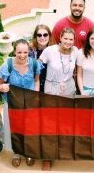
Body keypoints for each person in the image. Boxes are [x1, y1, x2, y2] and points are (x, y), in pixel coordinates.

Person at [0, 39, 42, 168]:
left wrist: (36, 94)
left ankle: (28, 152)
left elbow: (37, 81)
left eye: (25, 52)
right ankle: (16, 153)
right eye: (19, 52)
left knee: (29, 128)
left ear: (29, 52)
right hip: (12, 104)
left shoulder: (34, 64)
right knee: (14, 128)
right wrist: (1, 87)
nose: (22, 55)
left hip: (29, 103)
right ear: (14, 51)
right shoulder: (7, 66)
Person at [39, 28, 79, 171]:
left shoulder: (76, 51)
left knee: (65, 122)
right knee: (49, 124)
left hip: (69, 88)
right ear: (60, 38)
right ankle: (47, 157)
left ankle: (62, 150)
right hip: (51, 89)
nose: (68, 42)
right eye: (65, 38)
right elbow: (37, 68)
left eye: (71, 39)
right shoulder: (49, 51)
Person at [29, 24, 55, 92]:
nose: (42, 37)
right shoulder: (29, 51)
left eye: (45, 35)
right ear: (35, 37)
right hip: (33, 85)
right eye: (39, 35)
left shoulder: (54, 50)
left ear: (49, 36)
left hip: (50, 87)